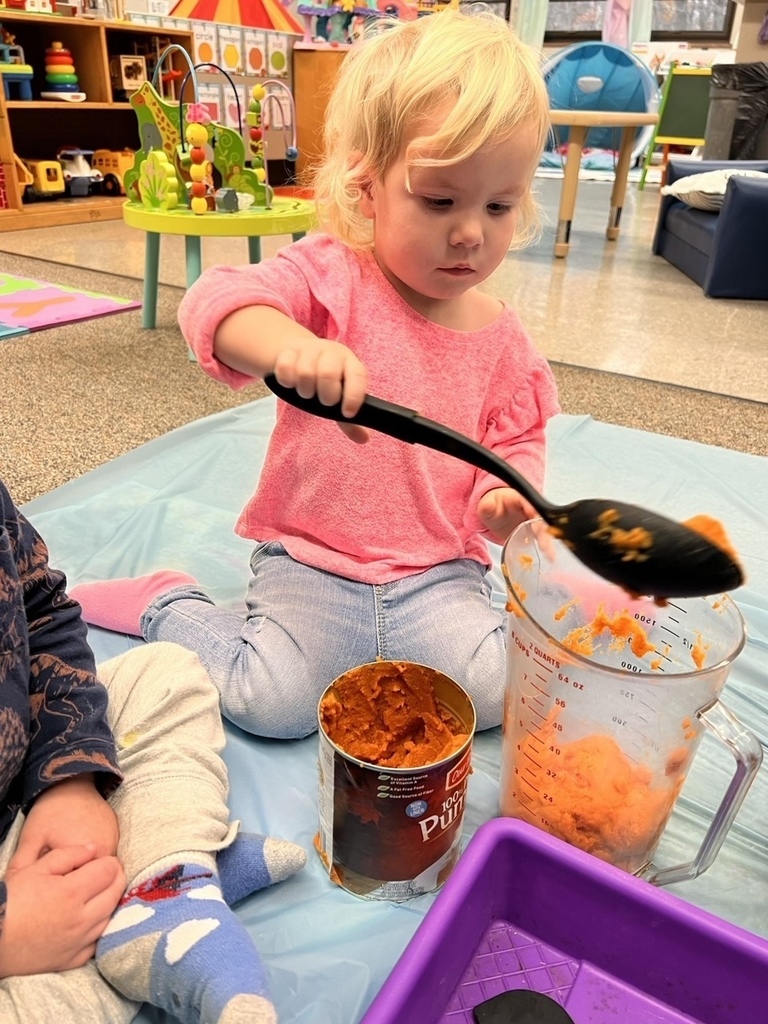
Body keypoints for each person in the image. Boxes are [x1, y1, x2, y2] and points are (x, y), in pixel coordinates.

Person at [70, 10, 560, 740]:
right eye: (439, 200)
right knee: (273, 705)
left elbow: (514, 446)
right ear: (368, 188)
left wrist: (506, 500)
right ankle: (168, 603)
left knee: (500, 695)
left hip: (435, 575)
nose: (471, 231)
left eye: (499, 205)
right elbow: (216, 302)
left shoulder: (505, 342)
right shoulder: (332, 276)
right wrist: (283, 345)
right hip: (313, 564)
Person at [0, 478, 306, 1024]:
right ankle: (166, 880)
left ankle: (165, 877)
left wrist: (68, 778)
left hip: (28, 781)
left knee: (163, 675)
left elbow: (42, 613)